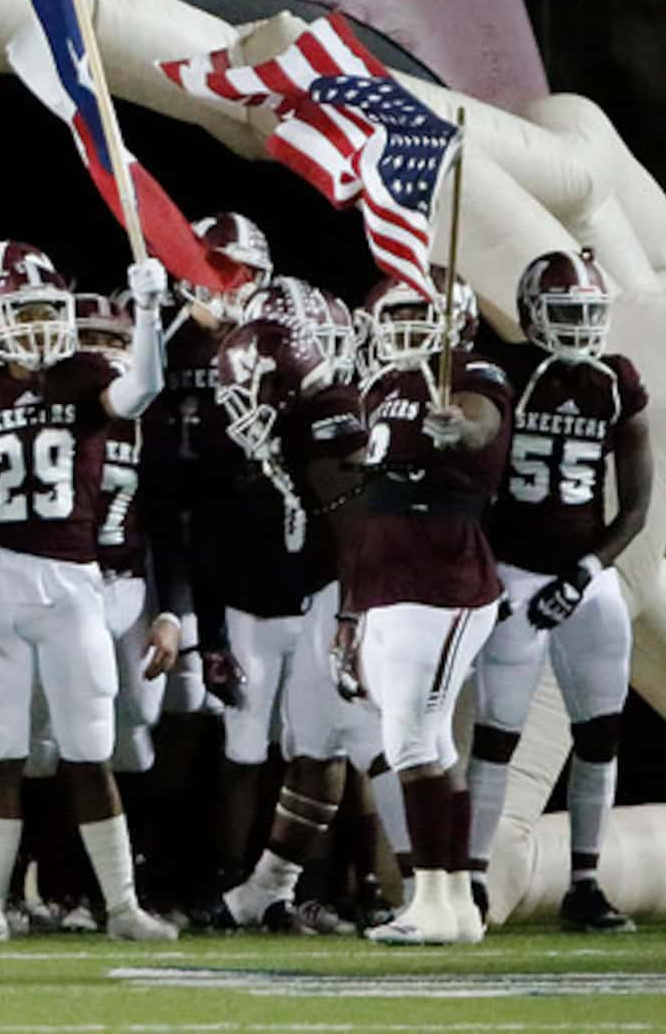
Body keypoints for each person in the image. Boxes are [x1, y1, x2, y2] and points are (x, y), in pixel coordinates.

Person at [0, 242, 179, 943]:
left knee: (88, 749)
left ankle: (121, 905)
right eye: (20, 312)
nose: (37, 325)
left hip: (74, 582)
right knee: (0, 752)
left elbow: (140, 392)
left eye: (46, 311)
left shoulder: (86, 375)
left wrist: (152, 317)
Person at [470, 249, 652, 932]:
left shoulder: (614, 381)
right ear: (529, 315)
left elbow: (633, 508)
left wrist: (580, 575)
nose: (578, 327)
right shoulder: (506, 373)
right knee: (497, 735)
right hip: (513, 569)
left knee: (600, 732)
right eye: (564, 313)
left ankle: (584, 881)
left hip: (584, 573)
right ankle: (474, 880)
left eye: (587, 314)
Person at [341, 273, 512, 946]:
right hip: (388, 579)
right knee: (427, 740)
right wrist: (349, 610)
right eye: (398, 314)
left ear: (455, 321)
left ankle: (433, 901)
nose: (407, 328)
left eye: (421, 314)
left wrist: (457, 426)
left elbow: (480, 421)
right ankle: (450, 905)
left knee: (410, 740)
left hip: (441, 578)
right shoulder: (381, 388)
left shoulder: (468, 373)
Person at [197, 317, 381, 931]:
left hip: (371, 596)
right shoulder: (301, 426)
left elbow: (361, 532)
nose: (243, 411)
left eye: (255, 392)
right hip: (322, 599)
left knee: (386, 748)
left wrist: (352, 617)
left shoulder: (334, 418)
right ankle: (267, 888)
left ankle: (431, 887)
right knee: (314, 743)